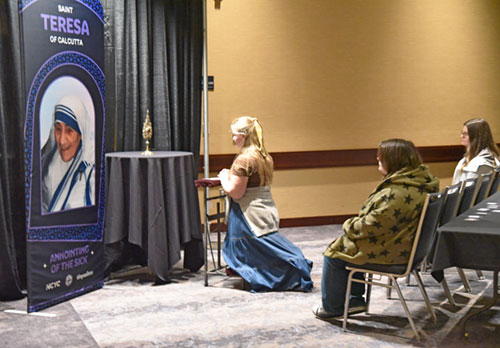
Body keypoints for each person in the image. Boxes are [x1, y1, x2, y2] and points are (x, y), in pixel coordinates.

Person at [313, 139, 439, 319]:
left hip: (395, 253)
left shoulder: (396, 193)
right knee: (348, 245)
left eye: (381, 158)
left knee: (334, 255)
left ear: (394, 160)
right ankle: (354, 300)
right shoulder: (421, 182)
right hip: (409, 248)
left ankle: (332, 308)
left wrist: (349, 224)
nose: (378, 159)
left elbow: (372, 224)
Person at [218, 116, 313, 292]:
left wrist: (224, 177)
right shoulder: (264, 156)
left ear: (244, 136)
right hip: (265, 209)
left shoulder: (244, 160)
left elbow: (236, 192)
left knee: (255, 249)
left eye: (234, 135)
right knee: (268, 245)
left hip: (248, 214)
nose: (232, 140)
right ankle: (295, 267)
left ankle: (294, 270)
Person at [41, 95, 95, 213]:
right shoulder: (48, 169)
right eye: (58, 129)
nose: (62, 141)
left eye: (70, 130)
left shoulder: (92, 171)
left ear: (81, 134)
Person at [452, 118, 500, 184]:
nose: (462, 136)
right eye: (462, 133)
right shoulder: (470, 159)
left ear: (476, 137)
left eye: (465, 134)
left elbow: (467, 192)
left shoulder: (479, 164)